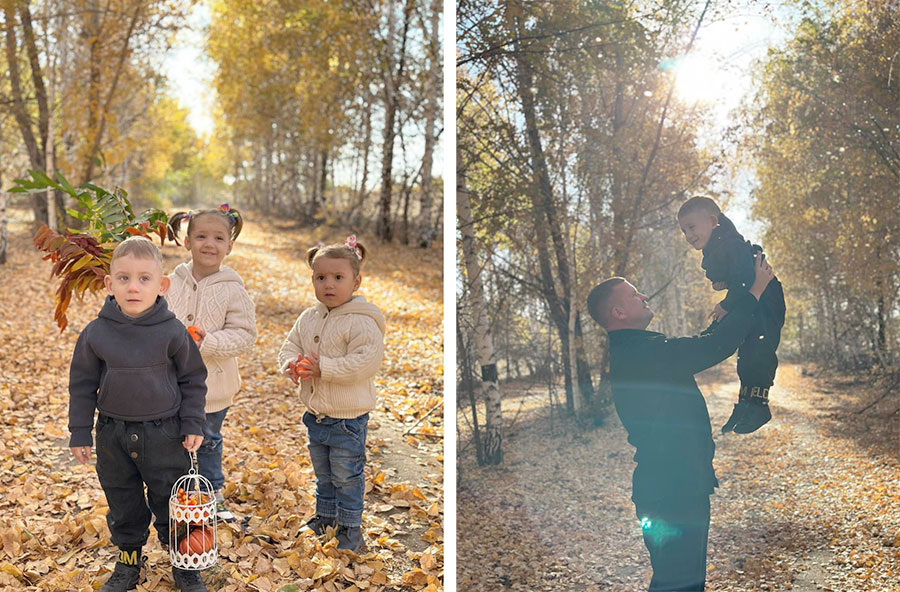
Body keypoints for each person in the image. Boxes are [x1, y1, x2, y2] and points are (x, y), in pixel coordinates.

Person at [587, 254, 775, 592]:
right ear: (618, 313)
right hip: (672, 493)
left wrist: (728, 314)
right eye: (634, 294)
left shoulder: (639, 350)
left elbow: (698, 345)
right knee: (680, 584)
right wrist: (754, 293)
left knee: (677, 581)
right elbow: (712, 347)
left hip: (670, 488)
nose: (643, 297)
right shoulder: (642, 353)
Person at [67, 236, 209, 592]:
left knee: (170, 499)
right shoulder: (96, 333)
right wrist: (80, 432)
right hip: (113, 433)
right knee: (123, 500)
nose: (134, 287)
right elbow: (82, 385)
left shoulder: (173, 331)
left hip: (165, 433)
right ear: (109, 284)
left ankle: (184, 561)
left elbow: (193, 378)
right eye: (124, 278)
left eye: (144, 279)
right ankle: (129, 561)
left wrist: (193, 422)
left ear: (161, 286)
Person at [277, 236, 385, 553]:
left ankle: (350, 528)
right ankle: (325, 518)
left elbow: (365, 362)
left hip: (348, 420)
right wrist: (290, 364)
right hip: (316, 416)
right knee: (323, 475)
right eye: (321, 277)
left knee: (346, 477)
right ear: (313, 279)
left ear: (356, 281)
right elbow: (290, 346)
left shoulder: (362, 320)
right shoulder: (309, 317)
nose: (329, 284)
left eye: (338, 277)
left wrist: (324, 367)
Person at [166, 205, 257, 523]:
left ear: (229, 246)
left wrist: (209, 341)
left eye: (218, 238)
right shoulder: (170, 283)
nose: (209, 243)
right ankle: (179, 493)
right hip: (170, 383)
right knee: (174, 440)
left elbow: (245, 336)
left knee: (207, 441)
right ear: (187, 240)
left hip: (212, 386)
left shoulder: (233, 290)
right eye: (201, 236)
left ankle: (212, 494)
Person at [677, 196, 786, 434]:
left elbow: (747, 278)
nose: (688, 235)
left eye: (692, 227)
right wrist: (723, 282)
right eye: (684, 231)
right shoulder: (717, 247)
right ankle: (746, 404)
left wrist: (726, 304)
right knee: (745, 353)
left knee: (758, 350)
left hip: (766, 300)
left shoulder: (730, 244)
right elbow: (737, 275)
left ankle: (758, 405)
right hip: (753, 298)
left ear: (713, 221)